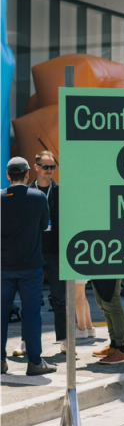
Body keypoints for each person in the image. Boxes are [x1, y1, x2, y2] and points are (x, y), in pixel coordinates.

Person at [0, 157, 57, 376]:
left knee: (1, 314)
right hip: (31, 267)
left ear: (7, 175)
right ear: (27, 175)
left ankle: (0, 361)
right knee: (32, 314)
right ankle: (34, 362)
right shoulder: (38, 197)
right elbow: (45, 226)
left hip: (3, 268)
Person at [91, 279, 124, 363]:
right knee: (103, 304)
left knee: (112, 304)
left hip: (111, 269)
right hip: (98, 270)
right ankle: (114, 345)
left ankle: (122, 349)